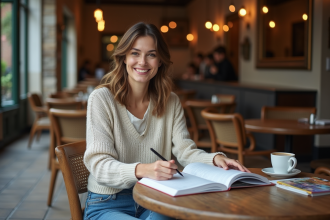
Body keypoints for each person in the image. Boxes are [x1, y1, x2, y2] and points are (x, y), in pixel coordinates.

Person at [83, 22, 250, 220]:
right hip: (108, 202)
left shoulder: (171, 101)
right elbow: (99, 165)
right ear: (124, 57)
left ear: (160, 61)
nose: (143, 62)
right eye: (135, 53)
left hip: (155, 196)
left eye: (151, 55)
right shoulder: (101, 99)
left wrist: (214, 159)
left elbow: (185, 151)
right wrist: (143, 169)